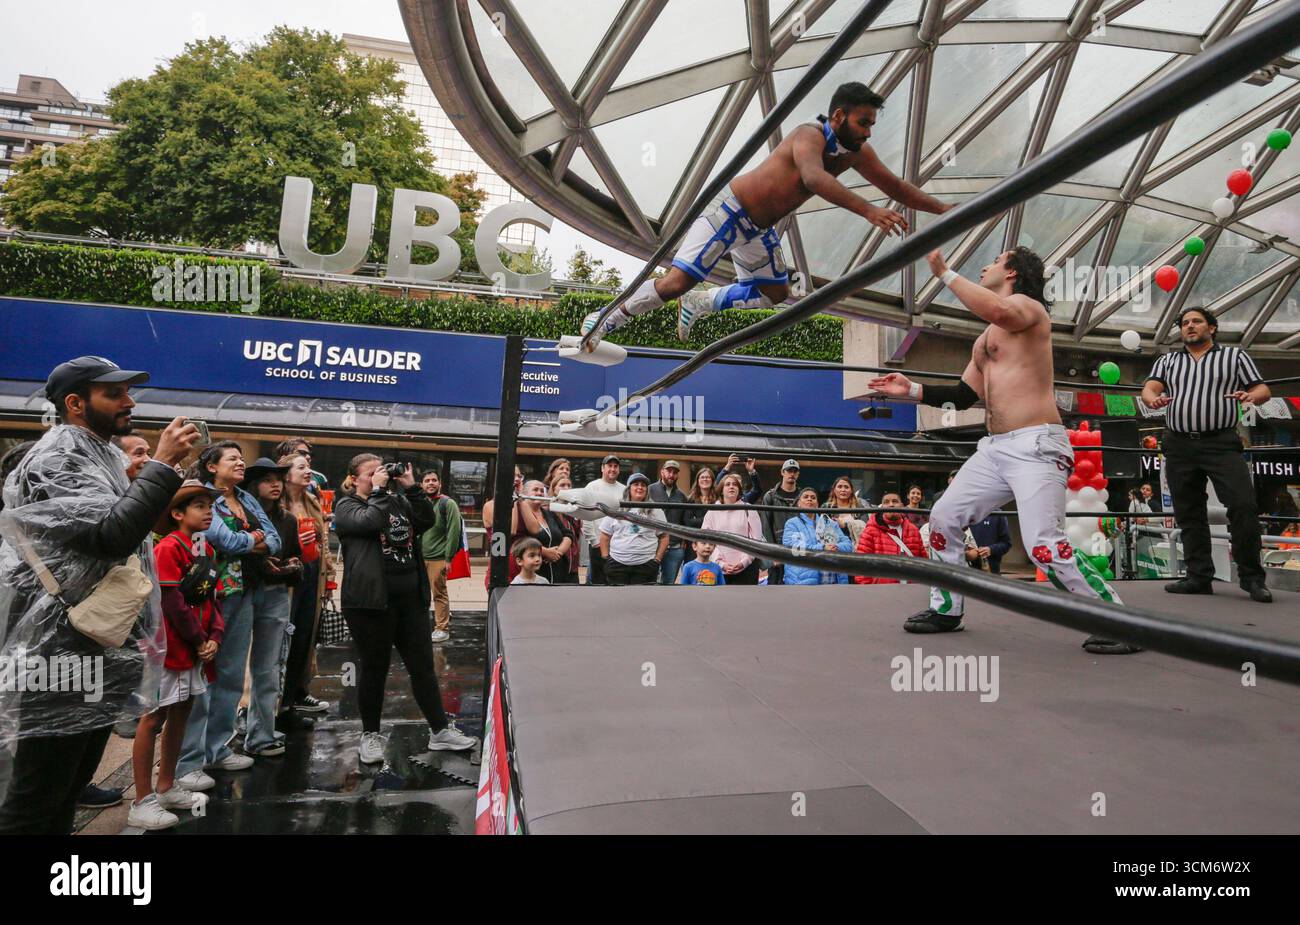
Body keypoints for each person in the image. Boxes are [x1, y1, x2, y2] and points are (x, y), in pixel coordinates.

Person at [868, 246, 1137, 655]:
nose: (985, 266)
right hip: (994, 448)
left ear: (1011, 271)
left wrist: (944, 273)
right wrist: (912, 391)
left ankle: (1118, 620)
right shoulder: (986, 338)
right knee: (943, 517)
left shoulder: (1028, 310)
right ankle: (947, 609)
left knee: (1043, 545)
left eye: (994, 260)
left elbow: (1002, 312)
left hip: (1036, 444)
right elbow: (961, 395)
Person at [581, 81, 951, 347]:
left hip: (757, 229)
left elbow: (896, 187)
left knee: (776, 293)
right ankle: (605, 318)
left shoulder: (856, 152)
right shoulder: (809, 135)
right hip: (728, 212)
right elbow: (813, 177)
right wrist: (868, 210)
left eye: (871, 124)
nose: (869, 132)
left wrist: (945, 210)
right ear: (839, 115)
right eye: (864, 122)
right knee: (677, 282)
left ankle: (702, 303)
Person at [0, 356, 199, 834]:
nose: (129, 401)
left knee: (68, 788)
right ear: (75, 403)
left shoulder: (100, 454)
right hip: (59, 650)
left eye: (128, 391)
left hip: (93, 642)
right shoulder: (58, 458)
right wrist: (163, 465)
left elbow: (127, 536)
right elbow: (109, 536)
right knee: (38, 795)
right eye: (114, 394)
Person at [334, 455, 475, 764]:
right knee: (375, 668)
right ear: (354, 479)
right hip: (370, 603)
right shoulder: (346, 506)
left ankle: (440, 731)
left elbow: (427, 520)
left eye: (381, 471)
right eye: (371, 474)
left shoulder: (397, 501)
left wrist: (411, 488)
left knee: (423, 667)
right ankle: (370, 735)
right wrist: (379, 492)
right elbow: (370, 521)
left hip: (409, 600)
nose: (379, 476)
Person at [1141, 306, 1272, 603]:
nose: (1189, 326)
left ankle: (1251, 577)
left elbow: (1262, 388)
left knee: (1243, 505)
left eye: (1196, 321)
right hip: (1179, 444)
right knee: (1189, 511)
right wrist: (1154, 400)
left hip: (1221, 443)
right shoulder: (1169, 360)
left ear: (1211, 328)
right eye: (1185, 323)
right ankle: (1199, 576)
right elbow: (1149, 388)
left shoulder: (1234, 356)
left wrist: (1251, 396)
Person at [176, 442, 282, 789]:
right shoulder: (202, 497)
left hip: (244, 592)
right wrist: (253, 539)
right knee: (202, 680)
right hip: (211, 596)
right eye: (233, 459)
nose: (240, 463)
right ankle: (189, 760)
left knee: (232, 675)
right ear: (211, 466)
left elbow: (276, 540)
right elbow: (224, 542)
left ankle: (218, 749)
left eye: (241, 458)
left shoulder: (246, 498)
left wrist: (249, 538)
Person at [132, 480, 223, 829]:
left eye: (209, 505)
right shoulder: (168, 548)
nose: (208, 511)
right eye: (199, 505)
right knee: (153, 718)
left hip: (195, 646)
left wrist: (214, 636)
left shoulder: (205, 549)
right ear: (177, 513)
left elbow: (211, 599)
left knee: (182, 711)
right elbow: (171, 602)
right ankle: (142, 800)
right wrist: (201, 639)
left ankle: (167, 785)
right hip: (168, 647)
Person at [243, 458, 300, 756]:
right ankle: (221, 740)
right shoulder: (240, 515)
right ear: (254, 485)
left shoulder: (288, 519)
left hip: (276, 593)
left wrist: (290, 566)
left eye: (279, 478)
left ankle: (262, 735)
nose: (275, 484)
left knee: (269, 668)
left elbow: (295, 557)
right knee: (229, 669)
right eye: (267, 479)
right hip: (243, 591)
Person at [278, 452, 332, 716]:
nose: (308, 470)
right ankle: (276, 701)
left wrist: (329, 571)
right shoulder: (275, 502)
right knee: (282, 638)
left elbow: (323, 542)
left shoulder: (312, 500)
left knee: (304, 637)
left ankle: (297, 693)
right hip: (287, 575)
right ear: (286, 474)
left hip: (312, 572)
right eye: (301, 467)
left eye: (308, 465)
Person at [598, 473, 669, 585]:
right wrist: (606, 558)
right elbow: (604, 535)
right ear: (629, 488)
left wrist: (657, 560)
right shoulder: (616, 508)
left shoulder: (656, 510)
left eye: (643, 485)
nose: (640, 487)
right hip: (617, 564)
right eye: (636, 484)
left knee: (643, 600)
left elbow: (664, 536)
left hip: (646, 565)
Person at [419, 468, 462, 644]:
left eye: (434, 480)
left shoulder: (447, 503)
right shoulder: (420, 502)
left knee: (439, 593)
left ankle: (442, 628)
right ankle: (429, 623)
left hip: (438, 558)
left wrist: (448, 558)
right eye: (427, 480)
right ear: (421, 484)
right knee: (420, 594)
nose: (431, 483)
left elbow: (454, 531)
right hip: (420, 557)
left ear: (440, 483)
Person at [700, 472, 765, 584]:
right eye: (728, 484)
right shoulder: (712, 511)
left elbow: (756, 540)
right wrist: (721, 563)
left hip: (747, 569)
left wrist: (744, 562)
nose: (731, 486)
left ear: (739, 489)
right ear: (721, 489)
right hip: (718, 569)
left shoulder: (749, 509)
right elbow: (706, 540)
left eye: (734, 484)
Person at [782, 488, 854, 584]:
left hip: (833, 580)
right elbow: (794, 548)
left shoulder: (830, 523)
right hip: (803, 581)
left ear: (817, 504)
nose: (809, 499)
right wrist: (823, 548)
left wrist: (835, 547)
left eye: (813, 497)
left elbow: (848, 545)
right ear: (799, 503)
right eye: (805, 497)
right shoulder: (792, 524)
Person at [854, 490, 926, 585]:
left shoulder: (913, 530)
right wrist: (868, 592)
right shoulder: (870, 531)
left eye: (895, 501)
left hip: (910, 591)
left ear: (901, 505)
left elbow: (923, 563)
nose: (891, 505)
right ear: (882, 507)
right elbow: (862, 566)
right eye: (886, 502)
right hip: (881, 592)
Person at [581, 455, 626, 585]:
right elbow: (586, 516)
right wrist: (594, 541)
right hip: (598, 543)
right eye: (609, 466)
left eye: (615, 466)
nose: (612, 469)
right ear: (602, 468)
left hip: (618, 544)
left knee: (616, 579)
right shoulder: (592, 487)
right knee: (598, 580)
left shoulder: (624, 489)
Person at [759, 459, 802, 585]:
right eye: (789, 471)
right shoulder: (770, 496)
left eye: (795, 471)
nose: (792, 474)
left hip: (799, 549)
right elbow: (765, 527)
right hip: (777, 550)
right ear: (782, 472)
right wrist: (772, 554)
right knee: (775, 591)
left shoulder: (803, 496)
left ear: (798, 474)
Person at [648, 460, 689, 585]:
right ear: (662, 472)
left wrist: (684, 540)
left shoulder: (682, 496)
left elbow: (684, 521)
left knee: (668, 584)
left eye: (675, 472)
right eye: (668, 471)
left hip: (674, 548)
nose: (671, 474)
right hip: (652, 545)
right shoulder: (650, 490)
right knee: (649, 583)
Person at [545, 474, 582, 584]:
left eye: (569, 485)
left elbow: (576, 537)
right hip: (554, 563)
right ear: (554, 489)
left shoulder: (574, 510)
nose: (566, 488)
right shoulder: (547, 510)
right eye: (562, 485)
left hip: (573, 566)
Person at [828, 476, 866, 544]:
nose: (843, 490)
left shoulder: (859, 507)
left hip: (856, 546)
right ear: (834, 490)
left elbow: (865, 528)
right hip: (833, 546)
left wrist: (846, 525)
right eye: (840, 487)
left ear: (851, 490)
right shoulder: (827, 507)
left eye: (846, 487)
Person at [683, 466, 719, 531]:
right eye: (702, 477)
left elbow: (719, 521)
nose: (705, 479)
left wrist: (697, 519)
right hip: (695, 537)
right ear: (698, 481)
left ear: (712, 481)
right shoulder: (691, 500)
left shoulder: (718, 499)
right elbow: (689, 522)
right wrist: (710, 519)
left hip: (714, 537)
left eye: (708, 477)